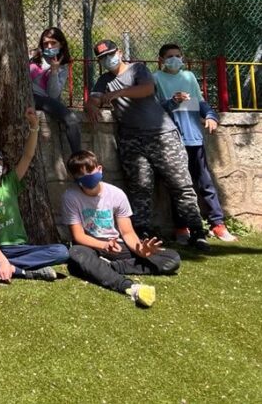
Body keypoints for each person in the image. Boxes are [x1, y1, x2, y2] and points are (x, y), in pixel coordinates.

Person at [86, 39, 209, 251]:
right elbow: (95, 99)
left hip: (162, 135)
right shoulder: (103, 80)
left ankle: (196, 231)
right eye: (103, 58)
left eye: (110, 54)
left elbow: (146, 89)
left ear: (120, 52)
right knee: (139, 188)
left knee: (181, 184)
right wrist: (91, 105)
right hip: (131, 140)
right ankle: (142, 231)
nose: (108, 59)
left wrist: (118, 93)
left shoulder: (138, 69)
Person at [63, 150, 181, 308]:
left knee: (171, 259)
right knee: (77, 253)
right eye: (80, 175)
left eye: (90, 171)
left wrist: (140, 250)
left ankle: (107, 268)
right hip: (91, 246)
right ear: (75, 178)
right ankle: (125, 285)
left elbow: (127, 232)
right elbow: (78, 236)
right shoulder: (70, 196)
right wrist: (104, 245)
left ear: (100, 169)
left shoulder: (116, 194)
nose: (87, 177)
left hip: (118, 245)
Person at [0, 108, 69, 282]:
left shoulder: (9, 183)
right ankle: (23, 272)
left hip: (18, 248)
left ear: (3, 168)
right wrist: (0, 257)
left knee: (61, 252)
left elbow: (28, 156)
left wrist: (34, 127)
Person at [154, 43, 236, 242]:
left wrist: (210, 116)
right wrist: (173, 101)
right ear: (161, 60)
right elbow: (155, 109)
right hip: (171, 141)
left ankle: (217, 224)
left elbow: (200, 102)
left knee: (205, 182)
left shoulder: (189, 77)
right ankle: (181, 227)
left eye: (178, 56)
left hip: (194, 139)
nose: (175, 59)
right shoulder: (155, 78)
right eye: (170, 56)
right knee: (178, 185)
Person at [29, 27, 82, 153]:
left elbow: (53, 95)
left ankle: (78, 157)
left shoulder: (63, 65)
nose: (49, 46)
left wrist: (54, 71)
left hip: (47, 100)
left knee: (72, 120)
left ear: (61, 44)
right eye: (45, 43)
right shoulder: (32, 58)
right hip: (32, 97)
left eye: (53, 43)